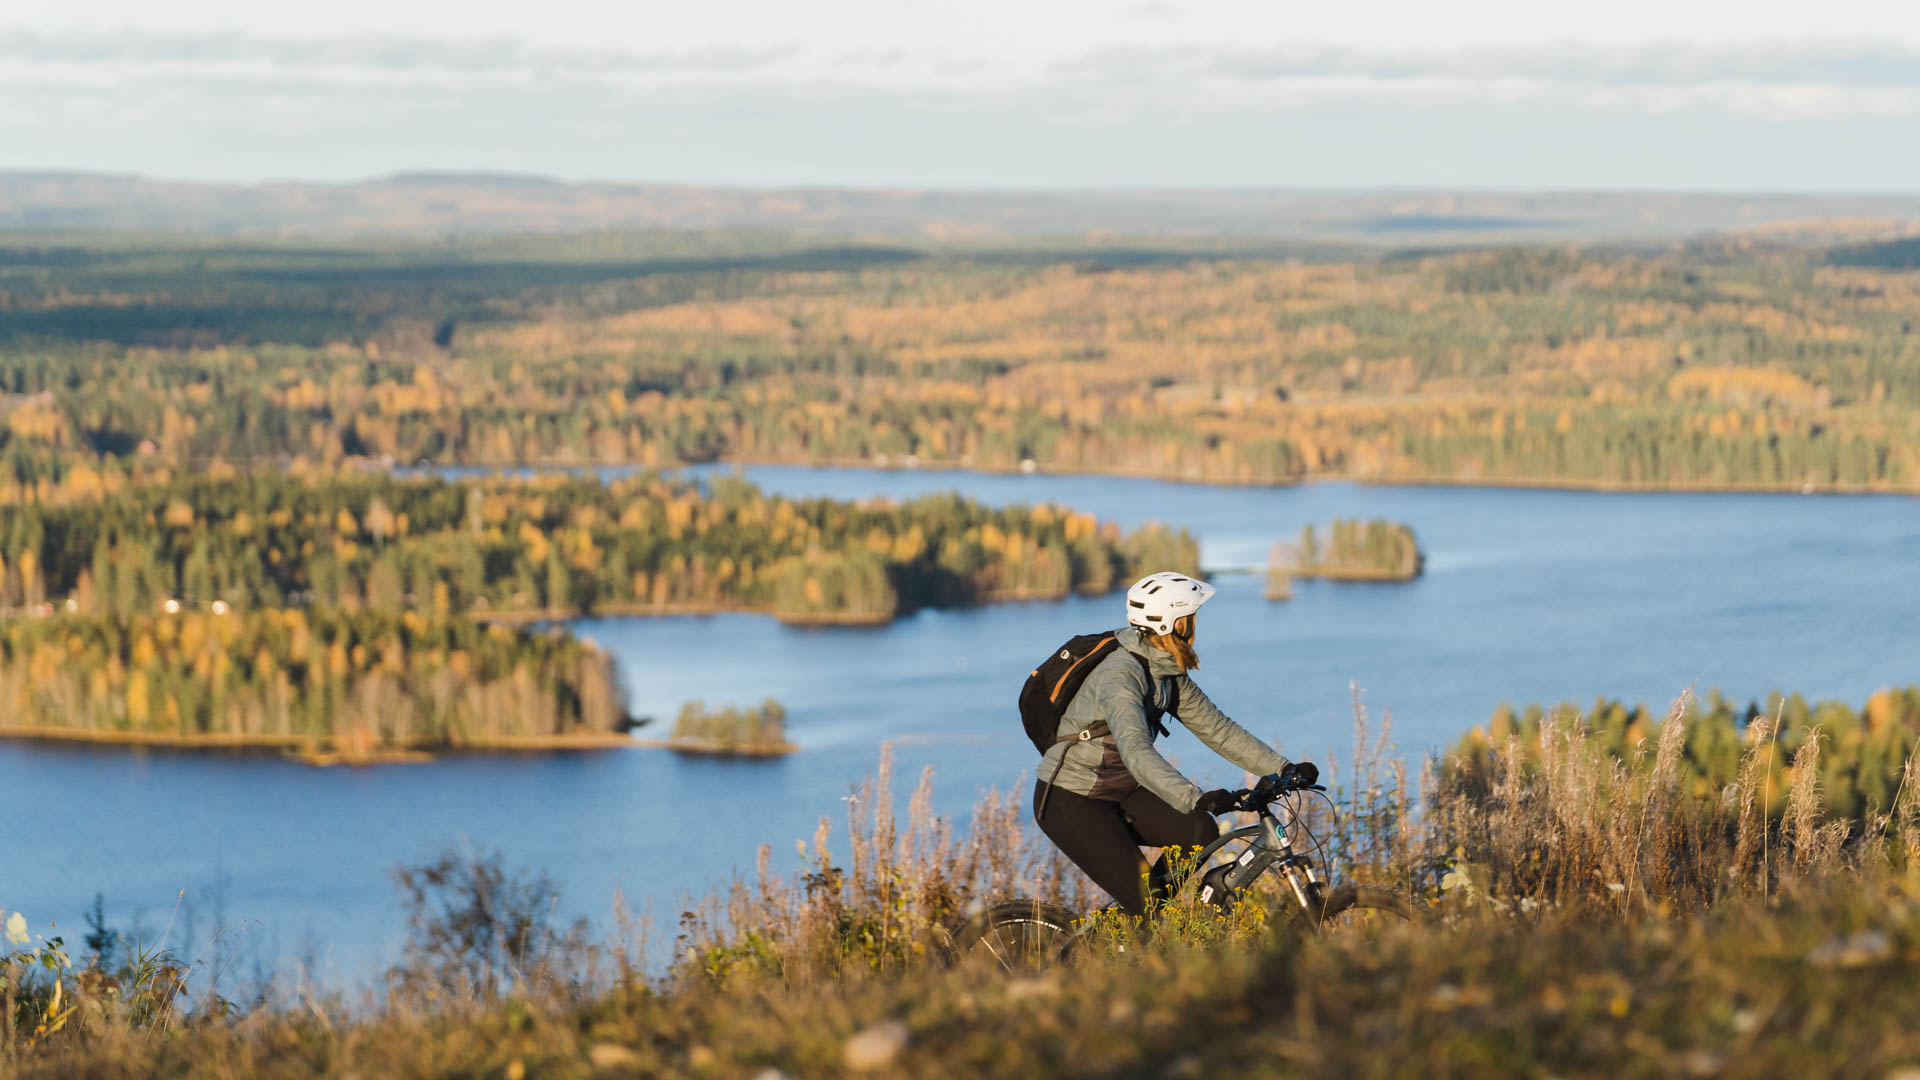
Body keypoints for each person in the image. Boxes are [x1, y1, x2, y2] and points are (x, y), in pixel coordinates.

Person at [1034, 571, 1316, 916]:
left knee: (1199, 830)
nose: (1195, 624)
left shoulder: (1166, 670)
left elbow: (1218, 729)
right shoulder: (1122, 675)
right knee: (1146, 899)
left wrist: (1283, 768)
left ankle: (1151, 925)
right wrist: (1194, 797)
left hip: (1120, 791)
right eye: (1191, 617)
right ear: (1173, 624)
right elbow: (1136, 752)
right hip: (1071, 800)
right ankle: (1138, 928)